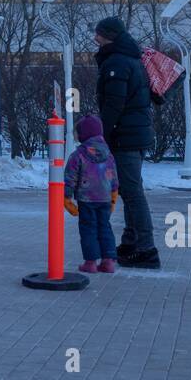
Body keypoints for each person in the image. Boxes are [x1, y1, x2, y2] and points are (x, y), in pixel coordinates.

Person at [93, 16, 160, 269]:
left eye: (98, 33)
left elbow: (113, 104)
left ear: (109, 35)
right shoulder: (129, 58)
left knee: (132, 193)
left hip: (126, 136)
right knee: (129, 191)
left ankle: (146, 249)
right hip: (134, 134)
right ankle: (131, 243)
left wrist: (100, 134)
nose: (95, 38)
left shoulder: (118, 62)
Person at [63, 115, 120, 274]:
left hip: (86, 199)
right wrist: (114, 195)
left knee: (88, 229)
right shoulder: (108, 154)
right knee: (105, 227)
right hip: (105, 198)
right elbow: (114, 176)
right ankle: (108, 261)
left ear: (83, 134)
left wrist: (66, 196)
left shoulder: (78, 155)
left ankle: (90, 262)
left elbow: (70, 177)